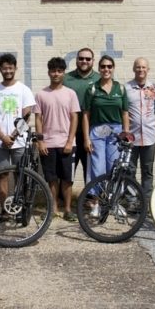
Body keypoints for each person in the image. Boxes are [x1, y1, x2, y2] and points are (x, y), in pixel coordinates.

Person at [0, 53, 36, 222]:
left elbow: (27, 115)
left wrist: (13, 136)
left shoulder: (24, 89)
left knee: (21, 176)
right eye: (4, 68)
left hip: (19, 141)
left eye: (10, 67)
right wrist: (3, 136)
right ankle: (5, 211)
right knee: (3, 175)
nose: (7, 70)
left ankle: (20, 209)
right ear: (0, 69)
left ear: (15, 68)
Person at [34, 57, 80, 222]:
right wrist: (40, 141)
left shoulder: (70, 94)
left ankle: (67, 209)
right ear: (48, 72)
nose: (56, 74)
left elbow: (75, 118)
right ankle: (53, 209)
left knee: (67, 179)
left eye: (59, 71)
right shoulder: (41, 94)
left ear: (63, 73)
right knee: (52, 178)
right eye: (53, 71)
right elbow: (38, 119)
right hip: (48, 143)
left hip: (67, 144)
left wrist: (69, 141)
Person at [83, 56, 130, 208]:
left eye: (109, 66)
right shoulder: (92, 88)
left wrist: (126, 134)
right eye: (103, 67)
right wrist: (86, 138)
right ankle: (96, 202)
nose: (106, 69)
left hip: (115, 131)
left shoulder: (120, 88)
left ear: (113, 68)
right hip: (97, 131)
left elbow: (125, 113)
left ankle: (114, 201)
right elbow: (85, 115)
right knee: (98, 168)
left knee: (114, 167)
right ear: (99, 68)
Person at [63, 47, 100, 182]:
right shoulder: (66, 79)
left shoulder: (100, 79)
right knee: (68, 169)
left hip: (92, 133)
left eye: (88, 59)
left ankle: (89, 200)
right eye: (81, 58)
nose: (84, 61)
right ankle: (65, 201)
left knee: (90, 169)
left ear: (93, 61)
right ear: (76, 60)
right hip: (69, 132)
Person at [124, 57, 155, 198]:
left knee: (147, 170)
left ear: (148, 69)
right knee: (130, 170)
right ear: (133, 69)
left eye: (144, 67)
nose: (141, 70)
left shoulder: (154, 88)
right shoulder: (125, 88)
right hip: (131, 138)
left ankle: (147, 200)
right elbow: (124, 112)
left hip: (150, 137)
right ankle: (131, 199)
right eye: (138, 67)